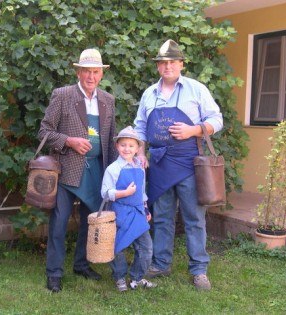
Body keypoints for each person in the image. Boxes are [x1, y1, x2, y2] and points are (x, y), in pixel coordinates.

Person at [133, 39, 223, 291]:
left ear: (181, 64)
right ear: (158, 67)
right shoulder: (149, 93)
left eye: (172, 62)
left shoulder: (196, 89)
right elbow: (140, 126)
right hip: (159, 163)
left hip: (187, 163)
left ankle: (199, 269)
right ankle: (161, 263)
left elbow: (217, 119)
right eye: (163, 63)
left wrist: (194, 129)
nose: (167, 66)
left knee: (194, 217)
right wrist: (141, 151)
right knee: (161, 217)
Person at [38, 48, 117, 293]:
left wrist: (115, 172)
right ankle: (54, 273)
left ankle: (81, 265)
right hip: (66, 172)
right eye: (86, 71)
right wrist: (69, 141)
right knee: (59, 223)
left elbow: (111, 137)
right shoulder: (62, 95)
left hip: (96, 172)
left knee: (89, 221)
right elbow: (44, 133)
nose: (90, 76)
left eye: (95, 72)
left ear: (101, 75)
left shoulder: (108, 100)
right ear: (78, 72)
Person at [101, 126, 156, 292]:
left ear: (137, 148)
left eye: (131, 146)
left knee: (146, 248)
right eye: (123, 145)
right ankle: (119, 277)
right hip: (120, 213)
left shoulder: (139, 167)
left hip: (138, 212)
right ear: (117, 146)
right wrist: (124, 193)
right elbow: (105, 193)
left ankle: (137, 277)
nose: (127, 149)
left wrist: (145, 208)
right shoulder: (113, 169)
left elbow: (141, 192)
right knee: (117, 246)